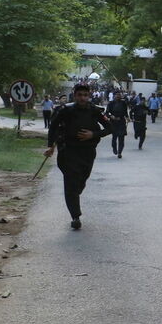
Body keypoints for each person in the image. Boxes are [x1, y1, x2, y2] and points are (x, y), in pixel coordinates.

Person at [43, 83, 111, 229]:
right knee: (71, 183)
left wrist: (93, 134)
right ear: (75, 96)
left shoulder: (95, 111)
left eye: (85, 95)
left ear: (89, 96)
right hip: (68, 151)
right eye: (79, 95)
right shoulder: (65, 110)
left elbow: (110, 127)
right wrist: (50, 146)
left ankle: (76, 192)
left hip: (87, 152)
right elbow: (53, 127)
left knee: (81, 181)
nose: (82, 98)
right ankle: (75, 216)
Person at [106, 91, 130, 159]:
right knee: (114, 138)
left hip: (121, 122)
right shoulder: (111, 103)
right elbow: (107, 113)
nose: (118, 96)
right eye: (117, 95)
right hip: (113, 122)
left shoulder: (123, 103)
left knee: (121, 138)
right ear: (114, 96)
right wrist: (111, 116)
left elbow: (125, 112)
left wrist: (127, 117)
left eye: (119, 95)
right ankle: (114, 148)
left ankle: (120, 152)